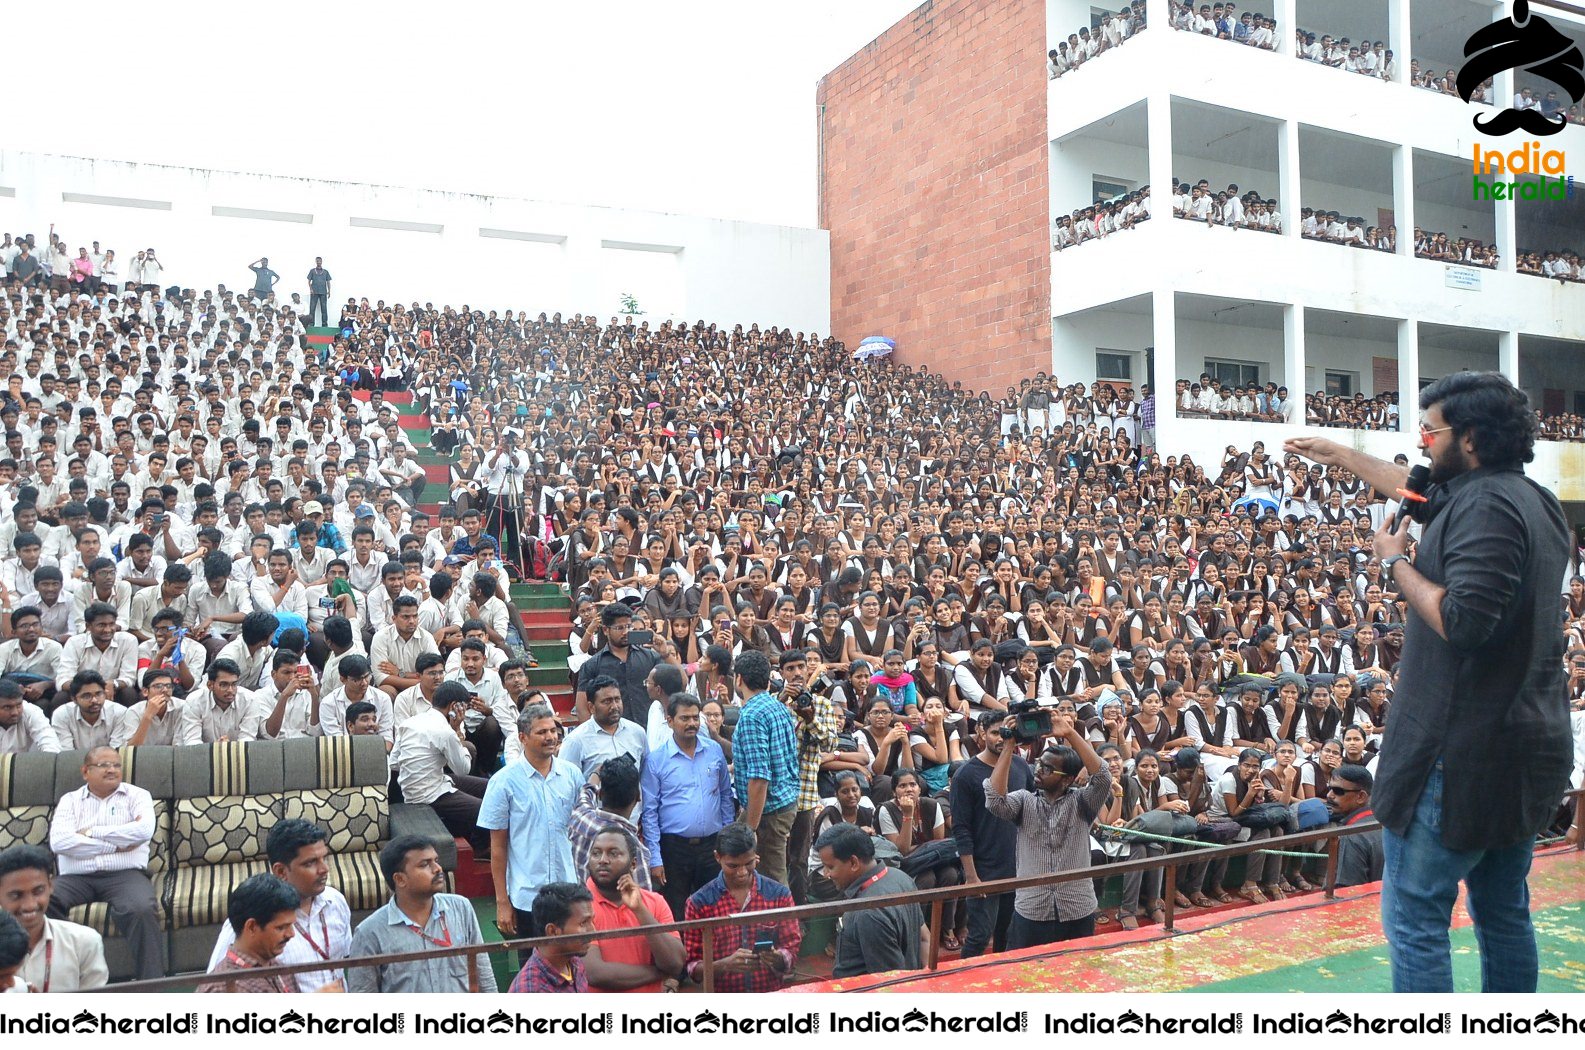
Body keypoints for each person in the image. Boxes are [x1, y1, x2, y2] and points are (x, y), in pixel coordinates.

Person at [1288, 372, 1572, 993]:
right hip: (1518, 749)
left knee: (1416, 917)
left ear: (1468, 439)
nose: (1420, 444)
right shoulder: (1527, 498)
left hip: (1461, 754)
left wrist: (1394, 562)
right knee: (1503, 911)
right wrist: (1339, 454)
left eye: (1428, 430)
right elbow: (1418, 494)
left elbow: (1465, 622)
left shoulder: (1487, 508)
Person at [985, 711, 1111, 948]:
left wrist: (1070, 733)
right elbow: (995, 800)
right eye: (1039, 764)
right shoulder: (1024, 801)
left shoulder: (1083, 802)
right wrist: (1008, 746)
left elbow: (1102, 776)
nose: (1038, 771)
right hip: (1032, 908)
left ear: (1067, 780)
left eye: (1048, 769)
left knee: (1077, 973)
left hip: (1077, 906)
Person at [46, 746, 165, 980]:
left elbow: (142, 831)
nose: (112, 770)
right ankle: (60, 980)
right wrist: (114, 845)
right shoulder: (70, 801)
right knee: (43, 901)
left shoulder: (137, 795)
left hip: (124, 875)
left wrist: (90, 832)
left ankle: (152, 986)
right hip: (75, 878)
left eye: (117, 765)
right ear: (85, 771)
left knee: (140, 908)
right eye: (104, 765)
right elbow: (60, 842)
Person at [207, 819, 351, 991]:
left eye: (324, 858)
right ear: (281, 871)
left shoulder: (335, 902)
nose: (324, 869)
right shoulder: (251, 919)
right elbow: (220, 988)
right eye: (310, 863)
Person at [479, 702, 582, 938]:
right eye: (542, 732)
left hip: (568, 889)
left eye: (553, 731)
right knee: (532, 967)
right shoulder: (504, 781)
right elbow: (498, 847)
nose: (550, 737)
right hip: (527, 897)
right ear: (523, 737)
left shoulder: (572, 775)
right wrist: (502, 901)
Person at [346, 836, 497, 993]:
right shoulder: (370, 932)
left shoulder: (461, 908)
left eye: (436, 860)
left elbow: (484, 973)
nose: (437, 868)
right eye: (424, 864)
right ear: (400, 879)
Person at [641, 692, 735, 920]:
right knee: (676, 909)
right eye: (685, 718)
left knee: (715, 907)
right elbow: (650, 812)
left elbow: (725, 796)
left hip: (712, 846)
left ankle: (713, 955)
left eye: (695, 718)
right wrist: (655, 858)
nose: (692, 723)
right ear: (670, 720)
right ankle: (683, 956)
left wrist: (727, 838)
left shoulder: (714, 751)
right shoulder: (656, 760)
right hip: (674, 849)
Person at [951, 711, 1034, 957]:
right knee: (978, 937)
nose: (1001, 738)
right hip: (984, 870)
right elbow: (961, 829)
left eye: (1006, 733)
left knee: (1008, 936)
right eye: (996, 732)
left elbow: (1031, 809)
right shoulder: (965, 775)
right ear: (982, 733)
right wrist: (972, 877)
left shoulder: (1021, 766)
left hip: (1017, 867)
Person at [681, 823, 800, 992]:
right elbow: (693, 968)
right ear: (717, 857)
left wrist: (777, 957)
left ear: (756, 856)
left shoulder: (779, 895)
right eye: (733, 866)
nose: (742, 872)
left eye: (749, 863)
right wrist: (724, 965)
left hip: (769, 994)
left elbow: (792, 948)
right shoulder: (699, 903)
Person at [391, 680, 491, 854]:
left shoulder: (409, 723)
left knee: (490, 786)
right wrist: (457, 730)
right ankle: (481, 848)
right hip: (431, 794)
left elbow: (393, 763)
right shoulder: (445, 731)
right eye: (465, 708)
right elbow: (463, 769)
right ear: (454, 706)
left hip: (419, 787)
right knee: (488, 809)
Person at [581, 826, 685, 992]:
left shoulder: (655, 902)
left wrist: (640, 910)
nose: (603, 860)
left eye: (613, 853)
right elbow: (595, 973)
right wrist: (660, 973)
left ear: (634, 863)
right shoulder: (579, 906)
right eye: (596, 853)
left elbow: (675, 964)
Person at [816, 822, 924, 978]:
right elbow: (924, 937)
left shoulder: (868, 913)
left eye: (830, 867)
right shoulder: (900, 877)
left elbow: (890, 983)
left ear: (853, 863)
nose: (826, 874)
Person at [729, 650, 800, 886]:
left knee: (772, 879)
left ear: (738, 679)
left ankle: (787, 923)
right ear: (768, 681)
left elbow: (759, 778)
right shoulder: (776, 705)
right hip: (783, 802)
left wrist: (750, 828)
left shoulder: (752, 715)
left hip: (769, 811)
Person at [0, 845, 108, 991]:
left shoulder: (84, 942)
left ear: (50, 886)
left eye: (38, 891)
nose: (29, 905)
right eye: (16, 895)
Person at [200, 874, 315, 993]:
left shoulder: (279, 968)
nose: (291, 934)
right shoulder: (224, 988)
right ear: (251, 927)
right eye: (281, 927)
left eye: (291, 925)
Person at [575, 603, 660, 725]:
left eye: (629, 626)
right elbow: (582, 708)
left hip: (648, 731)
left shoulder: (650, 657)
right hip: (611, 734)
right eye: (619, 628)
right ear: (605, 630)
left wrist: (666, 654)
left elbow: (679, 685)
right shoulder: (592, 665)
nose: (626, 632)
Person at [507, 881, 595, 993]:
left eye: (592, 921)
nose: (593, 930)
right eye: (583, 923)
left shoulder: (575, 963)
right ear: (552, 931)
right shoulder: (531, 989)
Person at [560, 673, 648, 776]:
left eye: (617, 699)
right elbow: (567, 781)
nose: (615, 706)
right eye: (607, 701)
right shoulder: (576, 741)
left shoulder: (637, 733)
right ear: (591, 707)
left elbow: (646, 774)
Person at [1328, 763, 1385, 888]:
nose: (1329, 795)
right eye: (1329, 789)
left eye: (1338, 791)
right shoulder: (1386, 822)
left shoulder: (1351, 836)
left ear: (1361, 796)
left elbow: (1348, 890)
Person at [306, 257, 333, 327]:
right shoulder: (312, 271)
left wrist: (329, 291)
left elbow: (328, 282)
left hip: (323, 292)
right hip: (314, 292)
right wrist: (311, 289)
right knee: (312, 308)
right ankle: (311, 324)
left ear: (322, 262)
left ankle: (324, 324)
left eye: (320, 261)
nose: (319, 262)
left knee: (324, 309)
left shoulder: (325, 271)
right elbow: (308, 281)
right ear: (316, 261)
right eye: (317, 261)